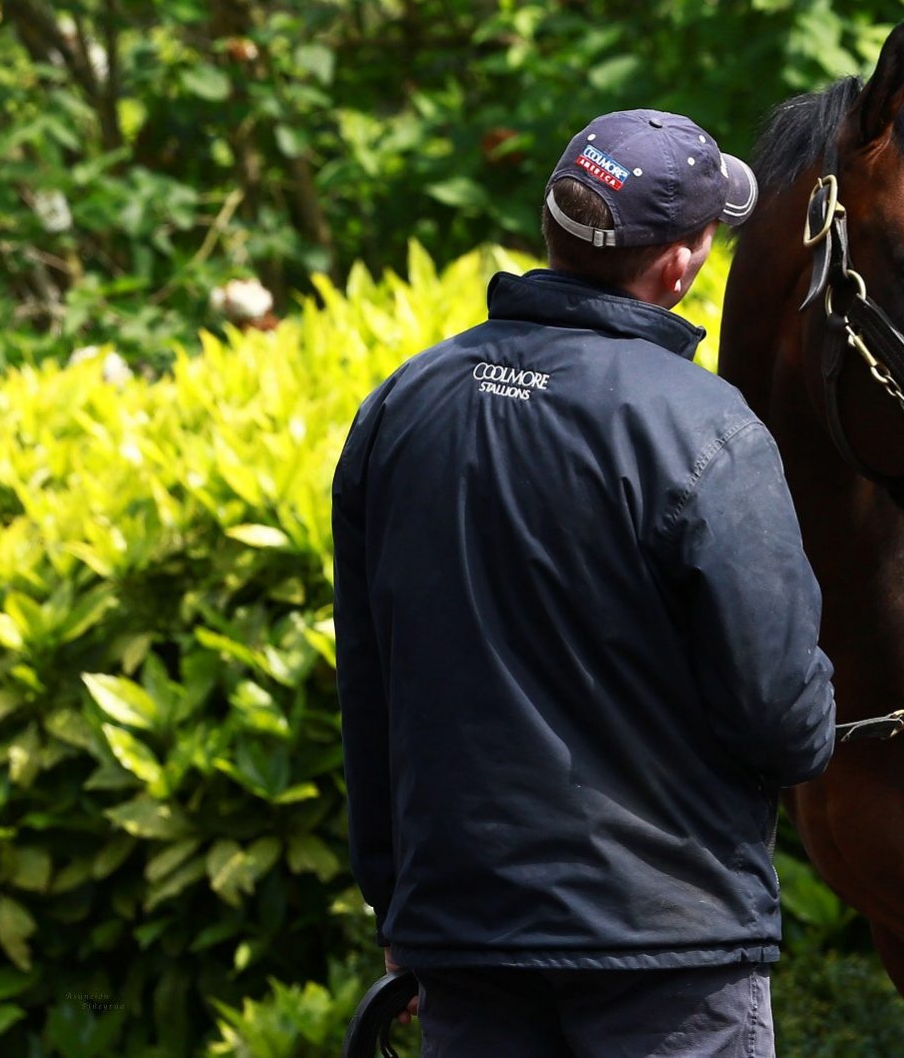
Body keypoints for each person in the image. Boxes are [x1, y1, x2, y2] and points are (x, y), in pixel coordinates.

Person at [331, 109, 836, 1057]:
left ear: (553, 228)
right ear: (681, 264)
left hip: (462, 938)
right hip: (667, 953)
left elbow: (368, 684)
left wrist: (397, 900)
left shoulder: (401, 405)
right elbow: (783, 714)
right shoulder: (708, 430)